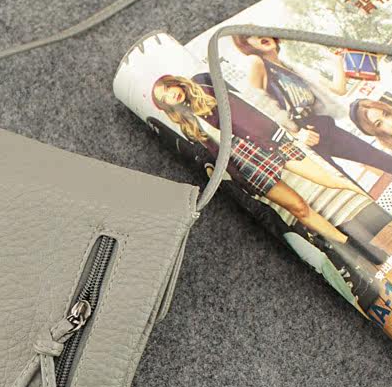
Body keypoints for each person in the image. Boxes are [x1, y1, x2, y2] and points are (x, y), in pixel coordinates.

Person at [151, 73, 375, 254]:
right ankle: (350, 246)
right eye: (165, 97)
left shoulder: (207, 88)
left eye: (168, 88)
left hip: (267, 142)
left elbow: (251, 110)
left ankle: (375, 209)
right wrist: (241, 180)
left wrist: (281, 133)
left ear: (176, 83)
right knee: (298, 207)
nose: (171, 94)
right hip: (244, 163)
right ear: (165, 105)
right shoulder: (188, 126)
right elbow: (216, 155)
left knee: (331, 180)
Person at [231, 34, 392, 187]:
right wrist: (295, 134)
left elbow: (338, 90)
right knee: (345, 183)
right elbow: (255, 103)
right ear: (247, 46)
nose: (259, 37)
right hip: (302, 135)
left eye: (259, 32)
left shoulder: (291, 67)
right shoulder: (256, 62)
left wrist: (337, 62)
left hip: (322, 125)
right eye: (250, 36)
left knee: (386, 161)